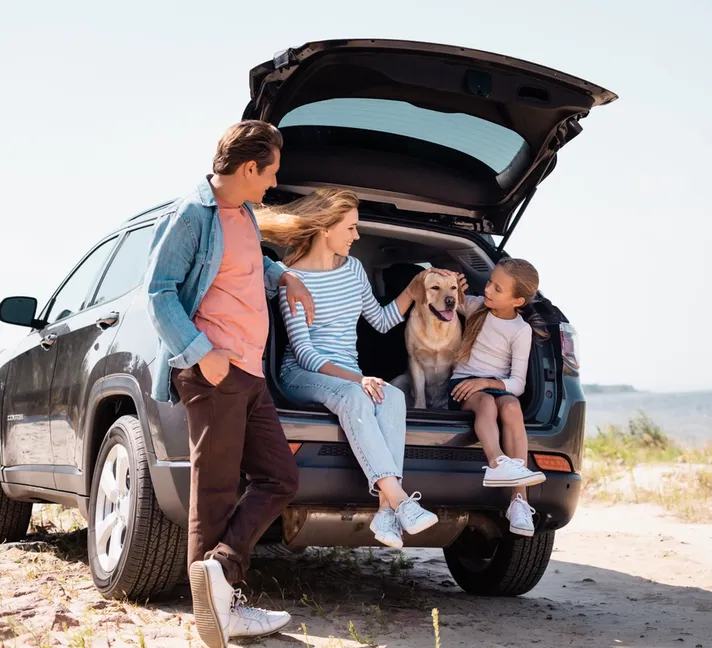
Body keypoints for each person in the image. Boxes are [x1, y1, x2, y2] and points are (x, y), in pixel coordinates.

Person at [145, 121, 314, 648]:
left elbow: (241, 264)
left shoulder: (240, 212)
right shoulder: (192, 214)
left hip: (251, 370)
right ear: (248, 169)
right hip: (215, 371)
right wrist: (202, 353)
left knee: (279, 477)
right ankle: (218, 613)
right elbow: (159, 291)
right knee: (215, 493)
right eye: (271, 174)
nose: (273, 184)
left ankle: (219, 574)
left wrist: (280, 274)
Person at [257, 188, 461, 550]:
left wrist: (415, 291)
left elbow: (382, 321)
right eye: (351, 228)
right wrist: (358, 378)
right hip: (303, 375)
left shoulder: (353, 270)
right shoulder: (291, 278)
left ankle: (385, 513)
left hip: (350, 374)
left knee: (394, 396)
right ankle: (400, 500)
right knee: (356, 394)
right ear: (325, 228)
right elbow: (305, 354)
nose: (357, 235)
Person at [449, 258, 549, 537]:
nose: (488, 290)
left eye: (498, 288)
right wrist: (455, 287)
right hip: (464, 386)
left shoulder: (520, 331)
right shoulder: (476, 306)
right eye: (490, 282)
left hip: (494, 385)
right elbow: (449, 301)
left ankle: (519, 502)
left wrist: (487, 381)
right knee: (486, 402)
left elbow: (517, 384)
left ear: (517, 301)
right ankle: (496, 464)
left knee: (512, 405)